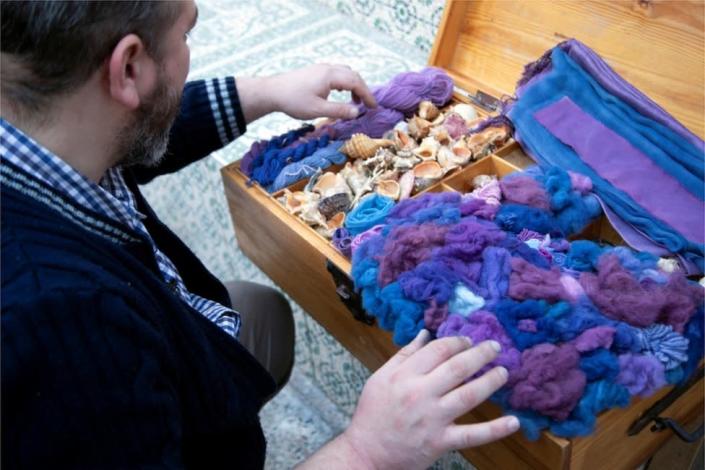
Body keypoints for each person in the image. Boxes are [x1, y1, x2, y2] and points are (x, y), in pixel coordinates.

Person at [0, 1, 520, 468]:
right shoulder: (65, 331)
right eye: (186, 34)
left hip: (166, 342)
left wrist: (264, 93)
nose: (188, 50)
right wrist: (365, 450)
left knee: (259, 313)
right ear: (129, 67)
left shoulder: (39, 123)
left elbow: (126, 131)